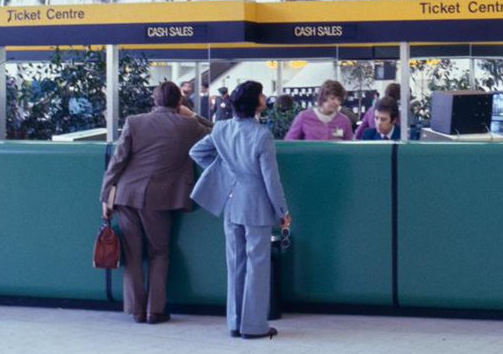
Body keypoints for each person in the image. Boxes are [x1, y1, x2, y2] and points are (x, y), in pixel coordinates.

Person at [100, 81, 213, 325]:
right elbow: (214, 131)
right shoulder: (189, 126)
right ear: (179, 102)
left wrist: (105, 196)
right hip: (160, 199)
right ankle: (155, 310)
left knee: (132, 255)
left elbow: (117, 162)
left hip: (126, 195)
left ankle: (137, 311)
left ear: (154, 100)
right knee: (159, 253)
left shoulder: (134, 122)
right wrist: (192, 114)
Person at [189, 81, 290, 339]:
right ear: (255, 102)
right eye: (262, 94)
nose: (265, 97)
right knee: (257, 264)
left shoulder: (222, 129)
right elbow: (271, 179)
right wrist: (282, 211)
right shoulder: (262, 135)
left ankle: (234, 323)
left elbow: (196, 152)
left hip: (231, 202)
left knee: (235, 263)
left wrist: (225, 171)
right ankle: (254, 326)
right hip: (256, 204)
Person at [285, 80, 354, 141]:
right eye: (332, 98)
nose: (336, 102)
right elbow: (289, 143)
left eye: (339, 99)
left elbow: (350, 147)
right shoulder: (303, 117)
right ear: (322, 97)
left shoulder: (344, 121)